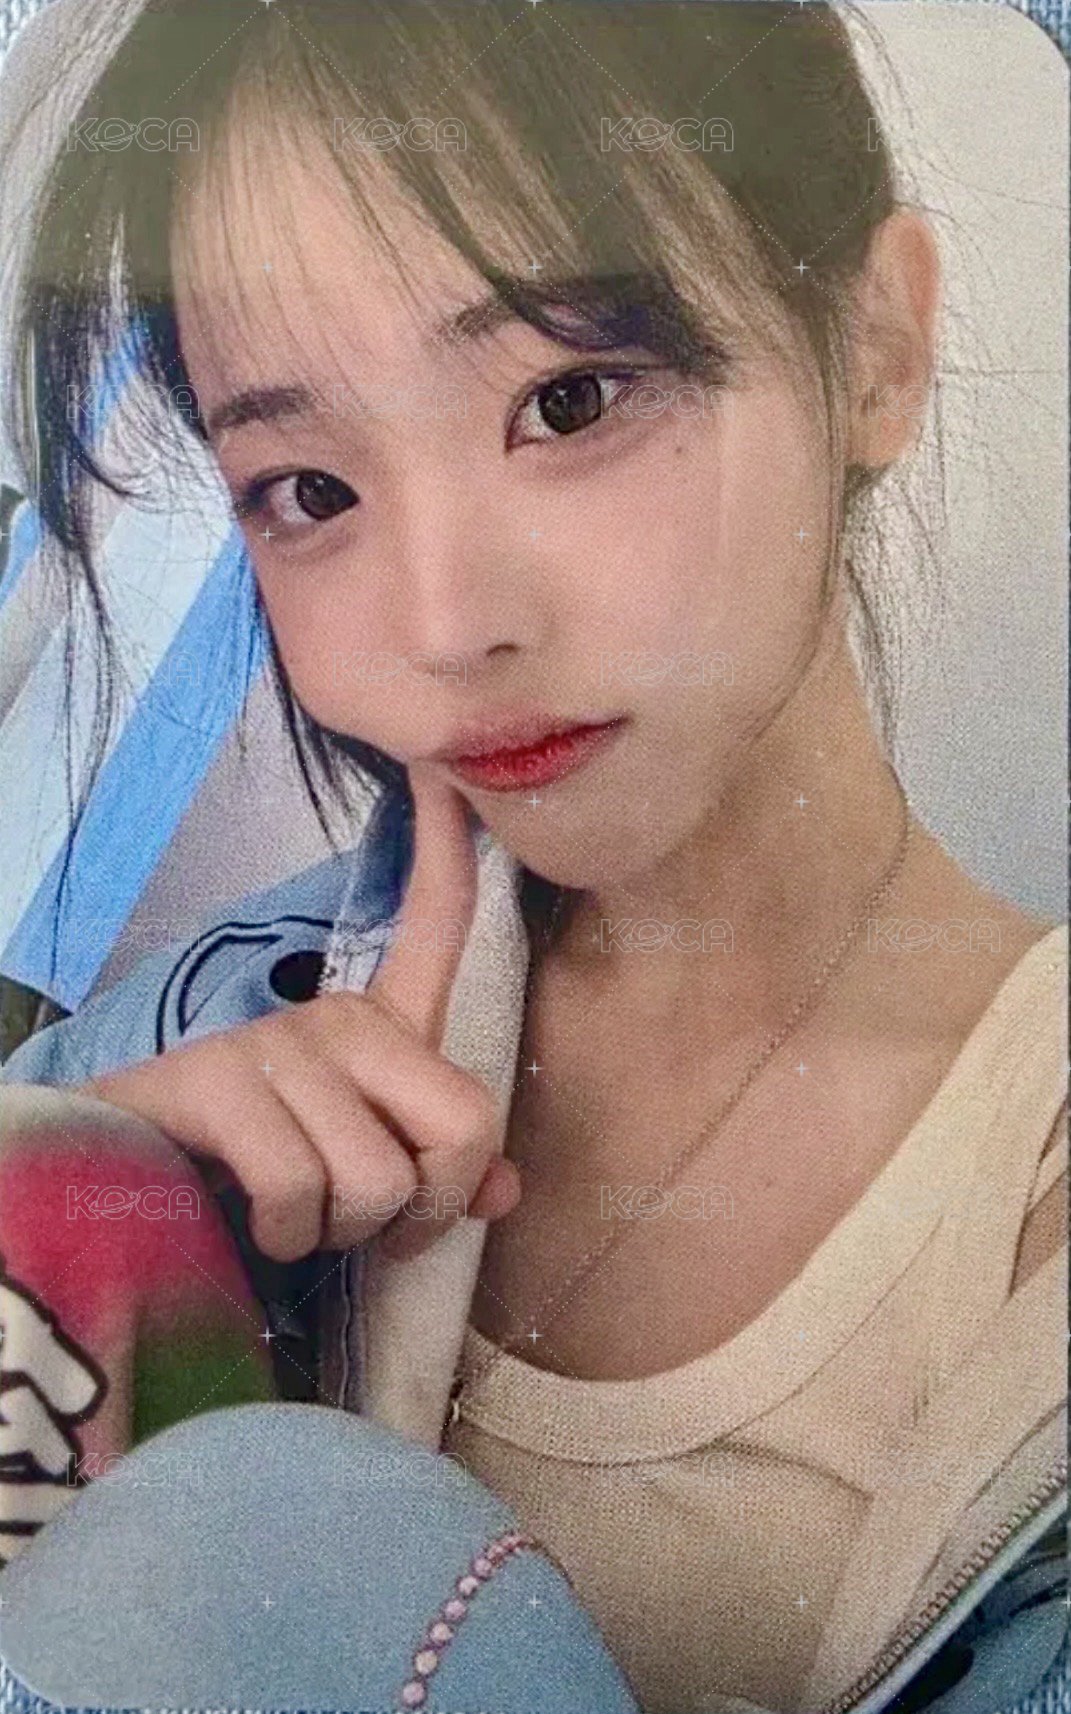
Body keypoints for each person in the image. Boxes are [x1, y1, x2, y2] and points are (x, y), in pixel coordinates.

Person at [0, 2, 1065, 1711]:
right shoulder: (223, 1026)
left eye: (569, 400)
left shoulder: (1027, 1222)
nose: (443, 625)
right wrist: (69, 1227)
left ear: (874, 350)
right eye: (308, 490)